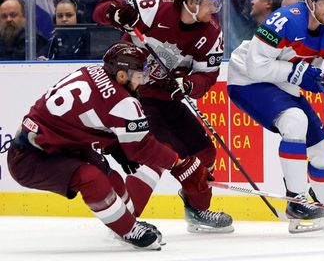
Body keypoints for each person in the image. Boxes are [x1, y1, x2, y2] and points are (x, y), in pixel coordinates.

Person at [7, 41, 215, 250]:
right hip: (32, 158)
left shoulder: (91, 71)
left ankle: (126, 218)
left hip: (59, 144)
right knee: (91, 178)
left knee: (111, 179)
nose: (143, 80)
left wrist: (114, 144)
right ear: (122, 76)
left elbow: (87, 116)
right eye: (139, 75)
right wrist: (180, 163)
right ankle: (128, 229)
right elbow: (142, 148)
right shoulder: (124, 102)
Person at [92, 0, 233, 233]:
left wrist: (189, 85)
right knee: (157, 154)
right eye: (210, 2)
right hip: (132, 94)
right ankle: (126, 223)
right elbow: (100, 9)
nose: (214, 9)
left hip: (166, 98)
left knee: (205, 154)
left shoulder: (212, 33)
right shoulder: (154, 6)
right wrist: (115, 13)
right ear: (191, 1)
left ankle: (197, 211)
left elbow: (207, 75)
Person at [227, 0, 324, 233]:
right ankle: (297, 202)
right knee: (294, 120)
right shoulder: (285, 20)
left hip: (283, 84)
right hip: (247, 80)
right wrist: (298, 74)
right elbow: (256, 67)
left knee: (323, 148)